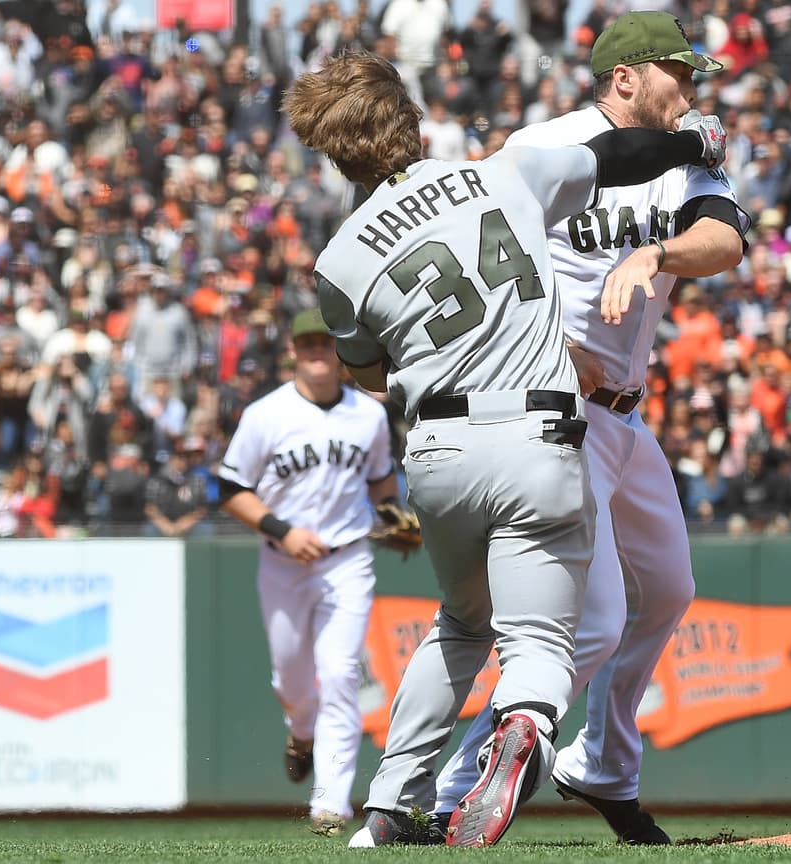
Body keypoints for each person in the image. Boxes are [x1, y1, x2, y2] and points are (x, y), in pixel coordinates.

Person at [282, 51, 726, 847]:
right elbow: (614, 155)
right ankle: (523, 728)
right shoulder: (502, 174)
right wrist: (694, 144)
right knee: (548, 641)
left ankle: (391, 803)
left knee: (461, 622)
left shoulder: (338, 262)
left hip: (439, 450)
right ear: (412, 123)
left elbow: (370, 374)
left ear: (336, 153)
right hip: (537, 434)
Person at [433, 11, 748, 845]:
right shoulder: (542, 148)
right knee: (596, 621)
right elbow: (477, 267)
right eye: (681, 73)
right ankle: (444, 797)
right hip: (555, 409)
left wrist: (658, 254)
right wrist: (548, 345)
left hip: (625, 418)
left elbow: (725, 240)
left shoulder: (685, 154)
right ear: (626, 78)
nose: (694, 88)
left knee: (668, 590)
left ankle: (603, 763)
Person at [217, 309, 397, 837]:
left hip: (348, 559)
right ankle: (300, 730)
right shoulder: (265, 415)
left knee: (340, 673)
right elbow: (229, 489)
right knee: (292, 679)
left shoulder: (369, 415)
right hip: (283, 562)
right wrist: (283, 530)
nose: (318, 349)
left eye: (326, 341)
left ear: (340, 352)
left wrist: (394, 519)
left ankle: (330, 804)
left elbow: (382, 483)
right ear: (294, 351)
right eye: (308, 342)